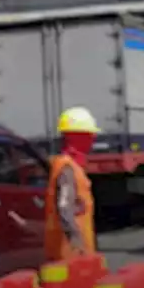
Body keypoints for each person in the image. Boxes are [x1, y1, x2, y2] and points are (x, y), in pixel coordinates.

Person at [44, 107, 99, 261]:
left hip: (73, 255)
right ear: (79, 138)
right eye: (90, 136)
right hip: (70, 257)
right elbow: (63, 206)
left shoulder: (72, 167)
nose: (93, 140)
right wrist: (76, 242)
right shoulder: (67, 169)